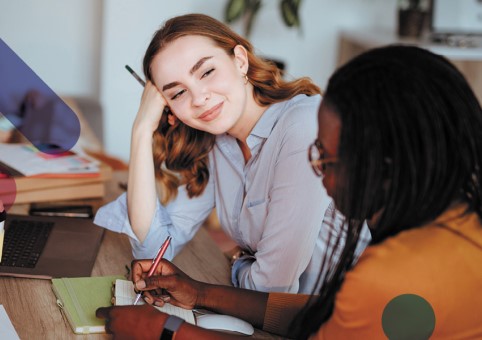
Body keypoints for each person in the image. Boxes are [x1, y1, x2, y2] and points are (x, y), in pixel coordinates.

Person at [96, 45, 482, 339]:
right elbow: (324, 313)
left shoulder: (390, 277)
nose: (320, 178)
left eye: (326, 160)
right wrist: (199, 293)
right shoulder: (454, 232)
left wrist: (168, 332)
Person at [94, 13, 368, 294]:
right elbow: (153, 251)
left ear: (240, 60)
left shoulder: (304, 127)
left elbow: (272, 289)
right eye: (177, 94)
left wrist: (237, 263)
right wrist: (141, 130)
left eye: (207, 72)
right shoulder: (219, 144)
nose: (199, 98)